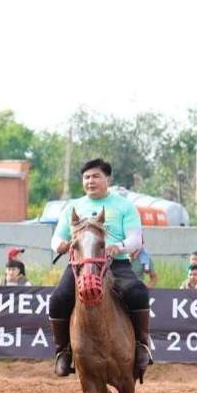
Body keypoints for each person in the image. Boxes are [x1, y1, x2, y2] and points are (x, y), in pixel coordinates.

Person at [48, 158, 152, 381]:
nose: (90, 181)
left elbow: (136, 237)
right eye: (86, 177)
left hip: (116, 263)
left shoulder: (124, 206)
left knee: (138, 293)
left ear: (108, 179)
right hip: (80, 265)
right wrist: (60, 245)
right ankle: (63, 352)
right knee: (58, 299)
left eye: (95, 176)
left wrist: (119, 247)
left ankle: (142, 346)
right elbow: (57, 236)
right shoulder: (73, 206)